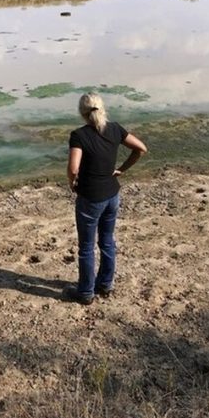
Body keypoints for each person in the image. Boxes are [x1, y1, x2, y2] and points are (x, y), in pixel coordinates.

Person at [64, 92, 147, 305]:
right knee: (107, 241)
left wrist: (72, 183)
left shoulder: (79, 135)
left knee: (86, 246)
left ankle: (85, 293)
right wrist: (121, 170)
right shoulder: (115, 128)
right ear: (102, 108)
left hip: (90, 198)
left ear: (82, 113)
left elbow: (73, 168)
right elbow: (141, 148)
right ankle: (106, 284)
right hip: (112, 195)